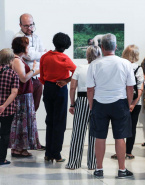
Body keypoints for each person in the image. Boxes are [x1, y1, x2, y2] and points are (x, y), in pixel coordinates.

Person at [87, 33, 135, 178]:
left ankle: (99, 169)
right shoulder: (125, 63)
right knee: (120, 137)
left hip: (99, 103)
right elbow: (130, 87)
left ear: (101, 47)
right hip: (120, 103)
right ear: (116, 47)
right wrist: (128, 104)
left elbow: (90, 89)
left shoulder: (94, 64)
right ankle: (121, 170)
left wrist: (91, 106)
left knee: (99, 137)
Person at [39, 32, 76, 162]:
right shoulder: (64, 59)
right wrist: (66, 80)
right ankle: (56, 154)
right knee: (59, 121)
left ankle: (48, 153)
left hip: (48, 88)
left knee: (50, 120)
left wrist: (49, 83)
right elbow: (76, 72)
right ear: (66, 46)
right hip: (60, 89)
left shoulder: (45, 57)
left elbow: (42, 77)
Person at [66, 45, 102, 170]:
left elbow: (72, 87)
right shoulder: (100, 68)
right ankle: (93, 164)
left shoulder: (80, 68)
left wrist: (72, 103)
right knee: (95, 133)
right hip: (97, 100)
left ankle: (74, 163)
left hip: (81, 100)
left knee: (78, 132)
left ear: (87, 55)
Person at [15, 13, 46, 150]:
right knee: (24, 114)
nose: (30, 28)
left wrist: (37, 54)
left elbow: (40, 54)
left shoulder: (37, 37)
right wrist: (38, 54)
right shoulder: (18, 37)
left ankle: (32, 142)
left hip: (37, 78)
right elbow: (29, 55)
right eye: (26, 25)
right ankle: (22, 145)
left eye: (32, 24)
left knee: (33, 112)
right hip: (26, 79)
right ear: (20, 25)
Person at [111, 45, 144, 159]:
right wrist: (133, 103)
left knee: (119, 127)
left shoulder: (119, 66)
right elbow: (140, 88)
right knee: (132, 128)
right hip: (135, 103)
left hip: (120, 100)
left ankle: (119, 152)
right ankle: (128, 152)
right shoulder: (138, 68)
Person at [10, 37, 41, 157]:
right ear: (22, 47)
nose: (29, 48)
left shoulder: (18, 59)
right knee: (22, 122)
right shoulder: (17, 60)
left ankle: (19, 148)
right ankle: (19, 148)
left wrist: (37, 70)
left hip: (24, 95)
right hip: (22, 96)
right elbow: (23, 78)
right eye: (27, 46)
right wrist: (33, 68)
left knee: (21, 122)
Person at [0, 49, 19, 165]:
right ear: (11, 60)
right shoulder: (13, 74)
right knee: (5, 134)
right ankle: (2, 159)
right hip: (8, 109)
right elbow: (14, 93)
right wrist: (3, 106)